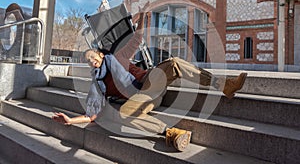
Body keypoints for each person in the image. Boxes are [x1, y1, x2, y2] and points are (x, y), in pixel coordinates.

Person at [52, 9, 247, 152]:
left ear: (101, 55)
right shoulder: (99, 84)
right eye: (88, 61)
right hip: (141, 100)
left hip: (149, 82)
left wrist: (141, 19)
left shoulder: (117, 57)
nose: (92, 62)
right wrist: (71, 121)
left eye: (94, 57)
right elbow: (94, 114)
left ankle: (225, 86)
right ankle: (171, 133)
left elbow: (136, 40)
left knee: (174, 63)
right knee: (121, 115)